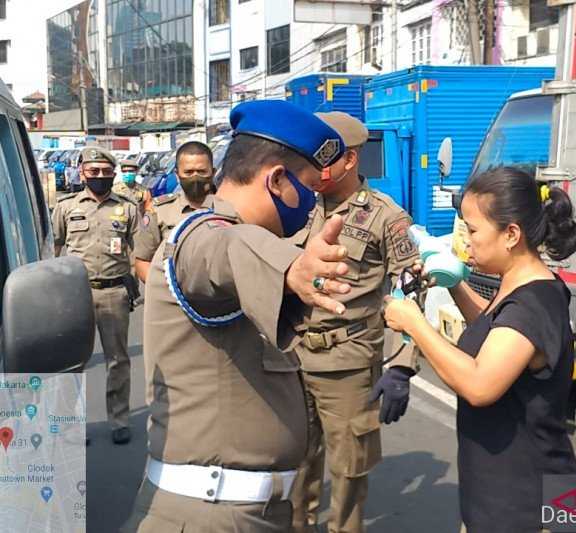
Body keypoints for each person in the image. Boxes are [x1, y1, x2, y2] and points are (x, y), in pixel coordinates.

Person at [121, 100, 355, 533]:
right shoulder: (199, 234)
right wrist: (291, 267)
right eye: (307, 189)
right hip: (213, 515)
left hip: (246, 513)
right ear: (278, 180)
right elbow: (223, 251)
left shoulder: (235, 236)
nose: (309, 205)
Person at [383, 167, 576, 532]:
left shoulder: (531, 305)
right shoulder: (527, 286)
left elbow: (480, 385)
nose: (466, 241)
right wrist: (455, 283)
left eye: (473, 230)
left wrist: (415, 323)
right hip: (513, 491)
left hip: (525, 503)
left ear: (511, 234)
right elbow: (496, 330)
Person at [288, 112, 420, 533]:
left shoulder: (385, 217)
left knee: (348, 473)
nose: (314, 168)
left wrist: (402, 363)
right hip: (290, 358)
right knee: (294, 463)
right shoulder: (296, 208)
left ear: (350, 160)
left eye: (324, 158)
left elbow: (412, 289)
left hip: (347, 362)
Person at [51, 147, 139, 445]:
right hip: (77, 294)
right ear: (82, 173)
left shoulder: (127, 208)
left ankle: (119, 420)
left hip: (114, 291)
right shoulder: (66, 207)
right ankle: (74, 427)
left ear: (113, 173)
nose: (100, 177)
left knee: (118, 359)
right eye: (94, 171)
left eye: (105, 171)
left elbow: (140, 251)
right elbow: (54, 249)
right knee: (75, 361)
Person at [134, 141, 215, 282]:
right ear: (177, 175)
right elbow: (142, 261)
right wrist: (166, 290)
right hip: (173, 298)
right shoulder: (159, 211)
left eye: (202, 172)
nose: (195, 178)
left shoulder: (229, 209)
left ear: (213, 172)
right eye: (188, 172)